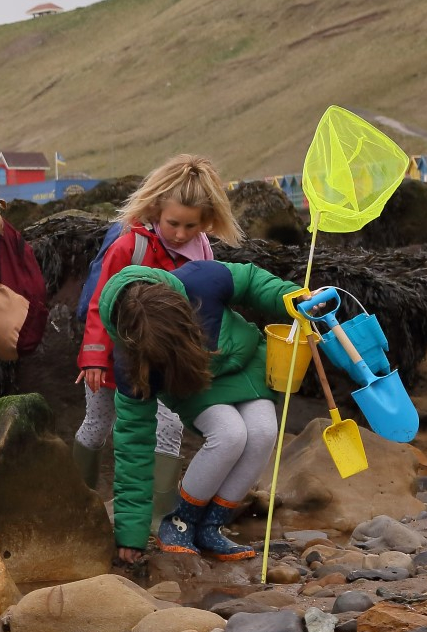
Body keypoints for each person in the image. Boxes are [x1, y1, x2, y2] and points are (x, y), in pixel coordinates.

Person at [74, 154, 242, 526]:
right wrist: (94, 358)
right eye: (173, 224)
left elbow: (205, 309)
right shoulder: (128, 246)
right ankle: (76, 498)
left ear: (207, 221)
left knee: (169, 427)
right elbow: (101, 303)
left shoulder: (203, 253)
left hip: (165, 362)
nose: (180, 234)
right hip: (115, 357)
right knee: (97, 425)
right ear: (154, 208)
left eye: (191, 225)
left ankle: (156, 515)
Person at [100, 261, 304, 564]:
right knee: (229, 434)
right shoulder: (132, 363)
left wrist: (294, 299)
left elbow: (251, 281)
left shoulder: (202, 280)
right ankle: (180, 522)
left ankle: (212, 525)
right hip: (193, 385)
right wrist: (131, 534)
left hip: (245, 364)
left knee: (262, 433)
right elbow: (133, 447)